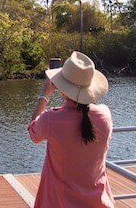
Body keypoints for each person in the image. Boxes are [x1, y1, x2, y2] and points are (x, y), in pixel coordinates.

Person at [28, 51, 114, 208]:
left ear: (61, 87)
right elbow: (86, 111)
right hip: (99, 203)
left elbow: (33, 132)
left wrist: (44, 95)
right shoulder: (105, 115)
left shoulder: (51, 120)